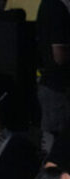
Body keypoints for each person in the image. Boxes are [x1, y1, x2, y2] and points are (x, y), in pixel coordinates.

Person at [36, 0, 70, 154]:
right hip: (59, 90)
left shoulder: (49, 5)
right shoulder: (57, 8)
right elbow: (59, 55)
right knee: (58, 145)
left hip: (53, 86)